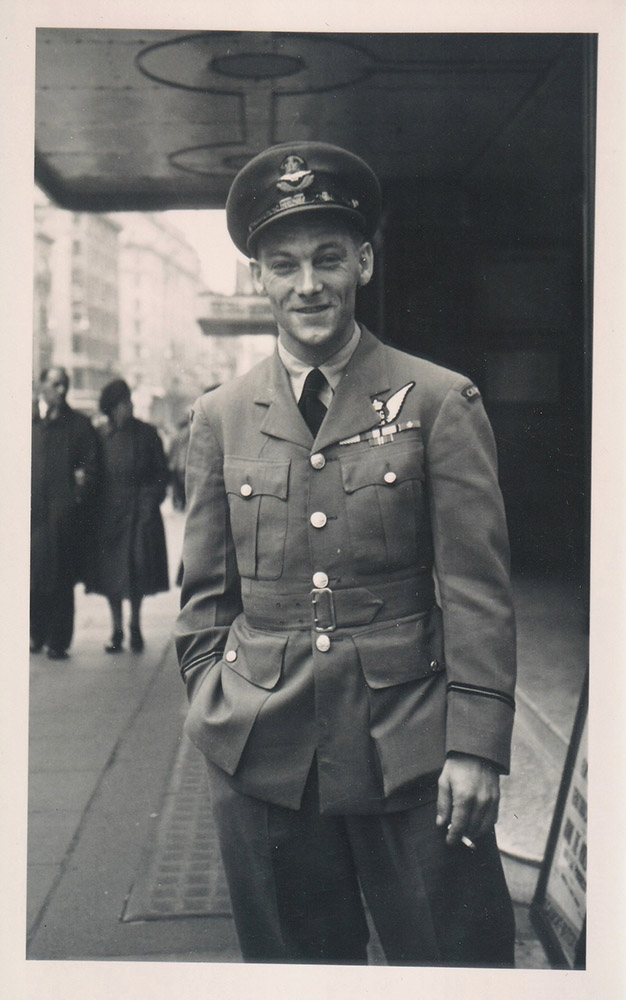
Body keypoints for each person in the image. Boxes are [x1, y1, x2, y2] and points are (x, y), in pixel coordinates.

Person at [174, 142, 517, 966]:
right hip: (266, 757)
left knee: (453, 960)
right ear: (258, 277)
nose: (307, 285)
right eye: (283, 264)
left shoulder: (438, 400)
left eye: (328, 259)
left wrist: (475, 745)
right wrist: (216, 707)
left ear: (363, 261)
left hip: (413, 751)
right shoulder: (220, 416)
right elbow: (203, 603)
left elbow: (476, 590)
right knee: (296, 968)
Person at [92, 378, 169, 653]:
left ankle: (135, 626)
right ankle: (116, 630)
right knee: (111, 575)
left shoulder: (147, 434)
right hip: (109, 515)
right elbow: (92, 475)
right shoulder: (100, 436)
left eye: (129, 401)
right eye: (123, 403)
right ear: (111, 408)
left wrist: (149, 503)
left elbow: (162, 475)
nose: (129, 406)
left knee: (137, 571)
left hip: (139, 513)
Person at [30, 366, 99, 659]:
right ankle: (35, 634)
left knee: (59, 578)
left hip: (62, 517)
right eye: (55, 384)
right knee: (31, 576)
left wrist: (75, 501)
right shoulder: (31, 422)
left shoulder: (79, 426)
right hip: (32, 515)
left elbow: (92, 470)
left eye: (65, 385)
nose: (61, 390)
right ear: (41, 386)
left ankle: (58, 640)